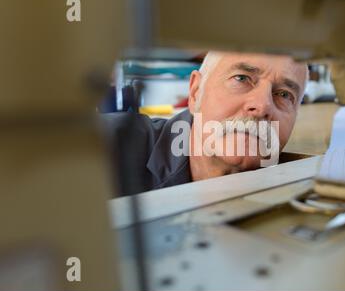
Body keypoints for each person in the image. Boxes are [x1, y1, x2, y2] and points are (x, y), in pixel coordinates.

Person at [102, 51, 309, 197]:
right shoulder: (100, 147)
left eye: (284, 94)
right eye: (241, 78)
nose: (263, 106)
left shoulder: (300, 190)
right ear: (195, 92)